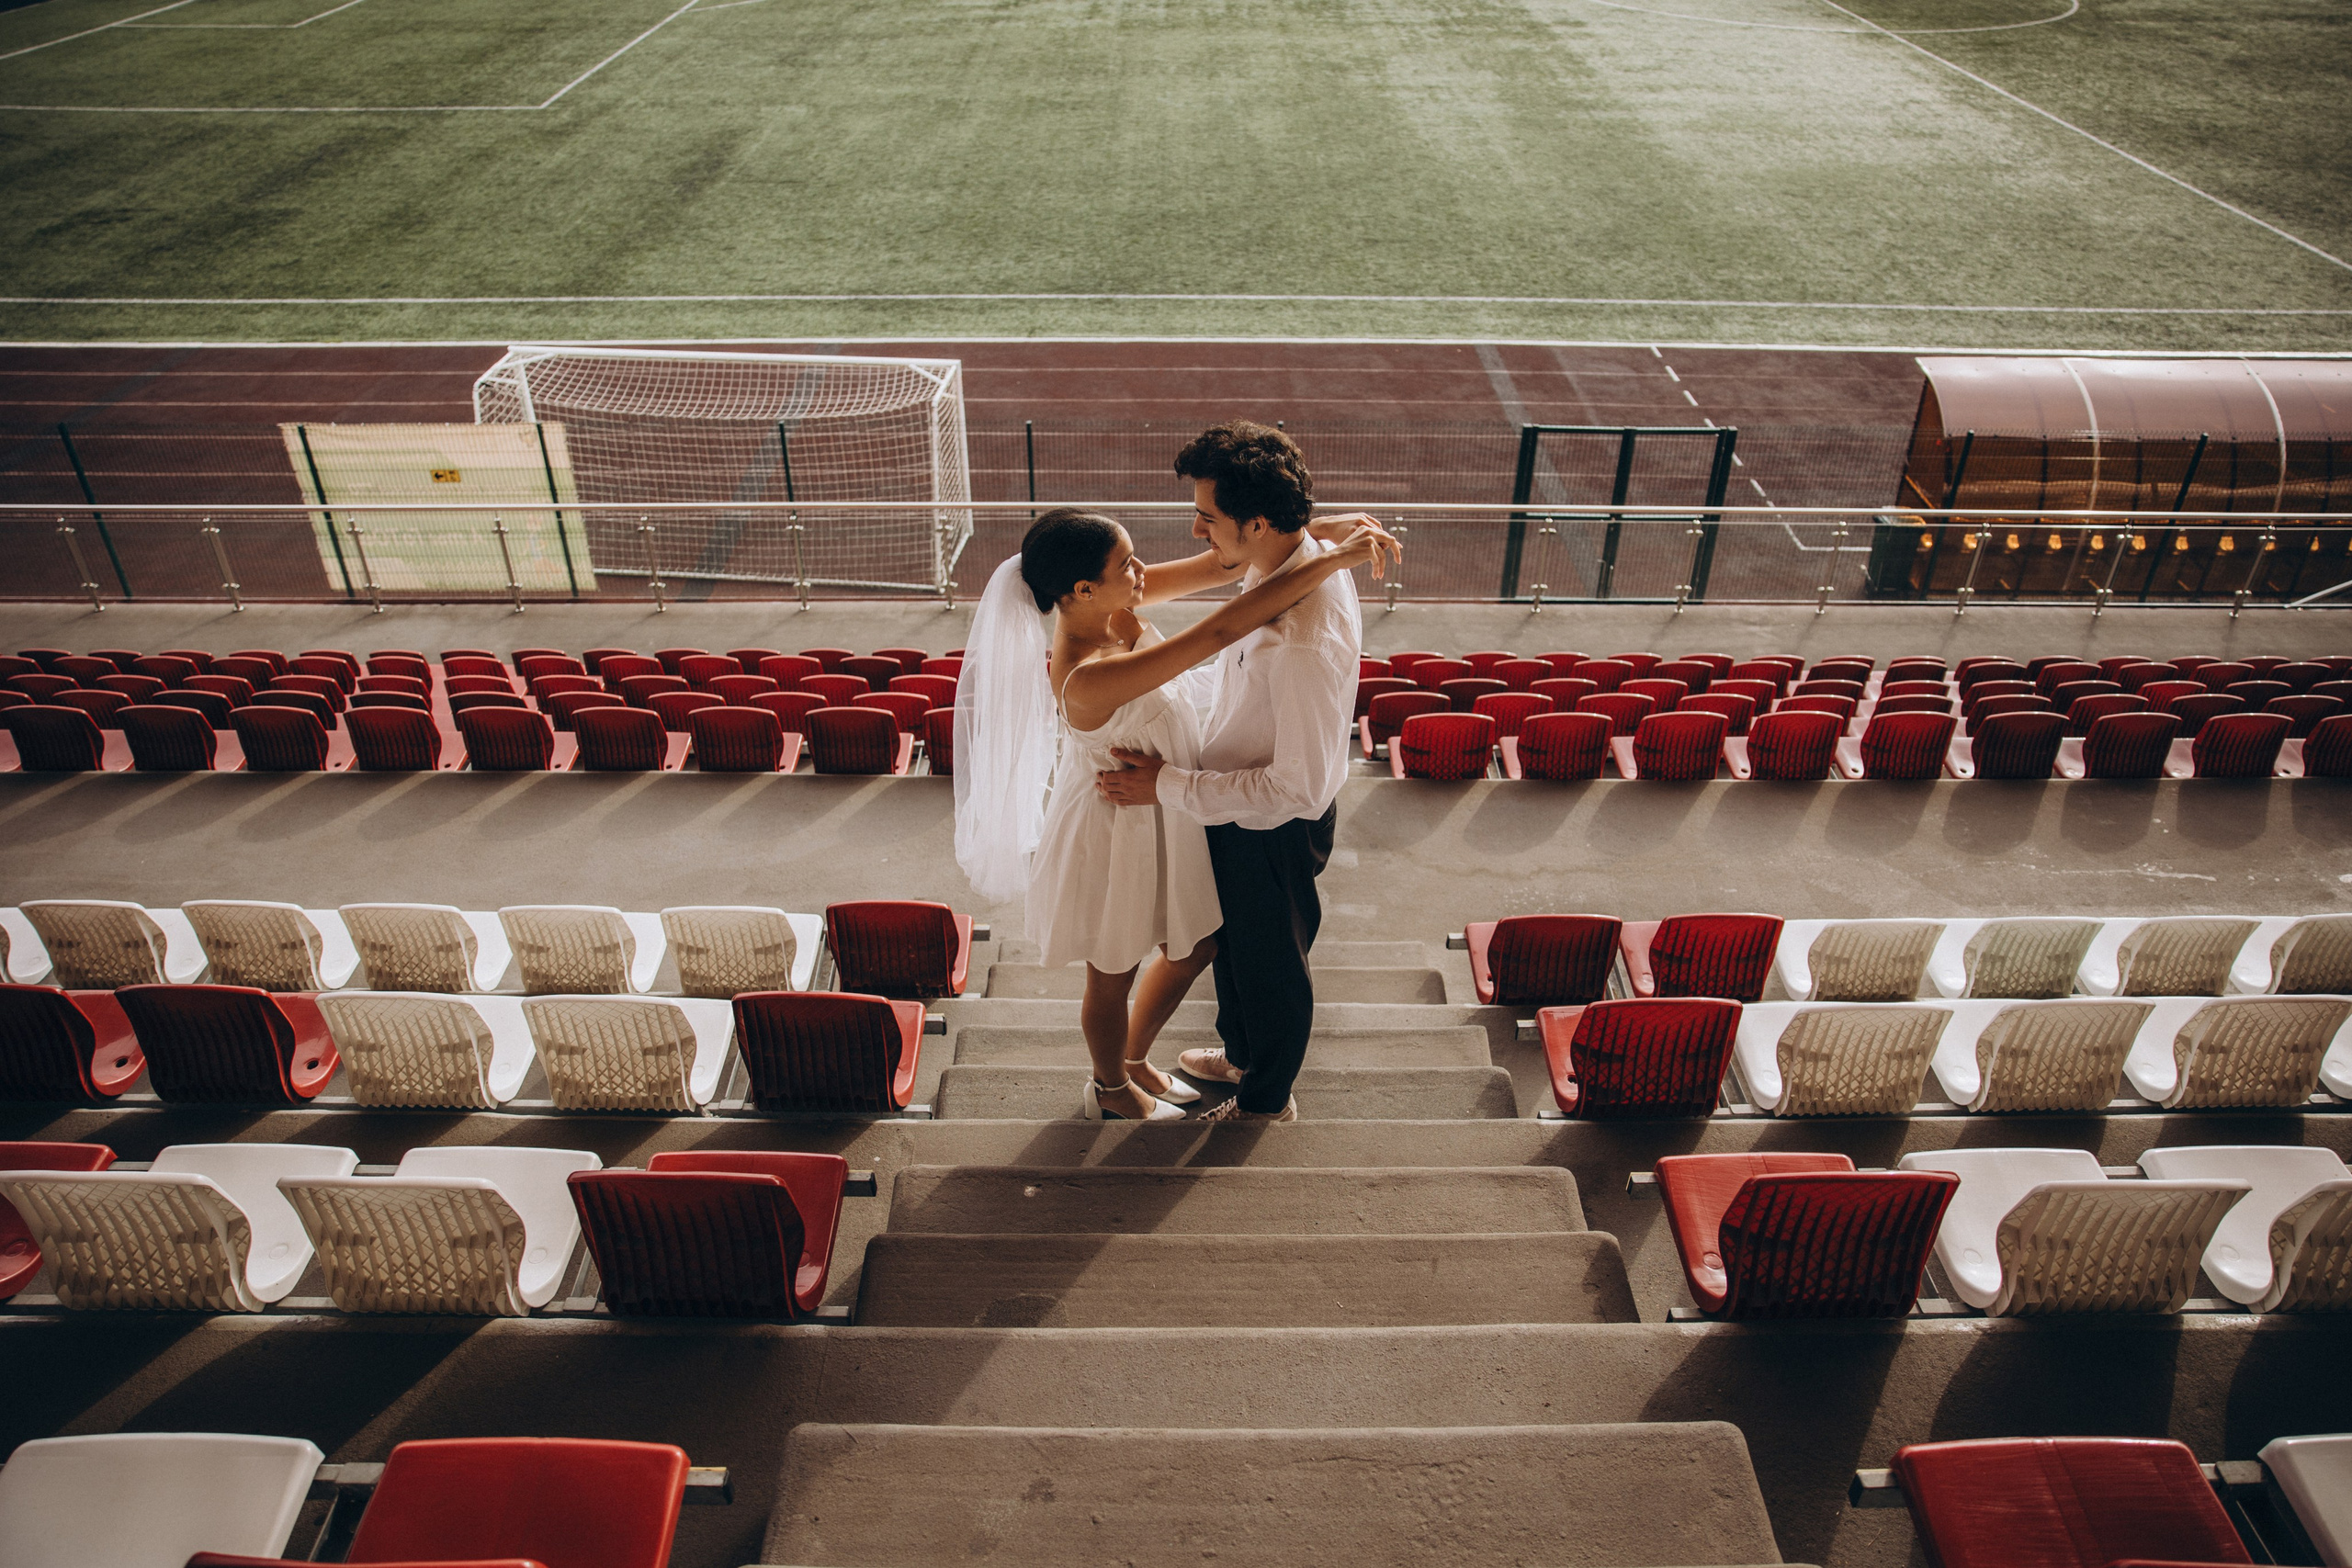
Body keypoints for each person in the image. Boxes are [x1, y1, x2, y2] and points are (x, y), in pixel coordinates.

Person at [954, 503, 1396, 1121]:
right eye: (1126, 563)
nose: (1143, 570)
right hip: (1115, 824)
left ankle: (1133, 1058)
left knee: (1197, 944)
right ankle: (1109, 1088)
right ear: (1082, 589)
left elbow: (1220, 562)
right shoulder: (1087, 675)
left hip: (1163, 805)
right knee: (1113, 969)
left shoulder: (1109, 600)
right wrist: (1339, 562)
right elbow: (1219, 631)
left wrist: (1314, 532)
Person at [1095, 422, 1363, 1122]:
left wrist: (1168, 786)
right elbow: (1232, 673)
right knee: (1236, 952)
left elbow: (1294, 788)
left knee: (1272, 971)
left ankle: (1264, 1101)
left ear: (1260, 521)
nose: (1194, 532)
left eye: (1208, 519)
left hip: (1271, 827)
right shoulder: (1288, 560)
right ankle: (1242, 1056)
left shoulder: (1301, 641)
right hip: (1233, 808)